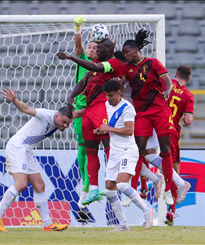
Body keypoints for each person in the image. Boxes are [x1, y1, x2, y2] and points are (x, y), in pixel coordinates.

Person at [0, 87, 83, 232]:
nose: (65, 126)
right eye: (64, 122)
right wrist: (14, 100)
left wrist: (98, 104)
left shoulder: (63, 117)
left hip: (27, 150)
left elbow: (78, 113)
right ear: (57, 116)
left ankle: (48, 224)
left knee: (40, 185)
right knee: (21, 184)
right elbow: (26, 109)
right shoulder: (45, 114)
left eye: (67, 124)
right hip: (17, 147)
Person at [57, 38, 123, 205]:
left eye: (99, 48)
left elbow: (93, 67)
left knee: (109, 146)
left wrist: (71, 57)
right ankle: (94, 188)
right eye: (95, 48)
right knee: (90, 150)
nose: (96, 51)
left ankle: (112, 183)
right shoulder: (94, 64)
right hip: (89, 112)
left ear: (109, 50)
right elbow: (83, 81)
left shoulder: (113, 63)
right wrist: (71, 95)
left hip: (104, 110)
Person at [119, 29, 175, 206]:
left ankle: (168, 190)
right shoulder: (126, 68)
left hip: (160, 111)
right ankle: (132, 191)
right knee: (138, 152)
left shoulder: (153, 63)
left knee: (165, 150)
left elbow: (168, 81)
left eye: (126, 53)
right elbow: (119, 85)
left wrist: (167, 91)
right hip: (142, 114)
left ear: (135, 51)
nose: (125, 56)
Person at [94, 79, 154, 231]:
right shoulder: (107, 105)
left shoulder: (127, 108)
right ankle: (123, 225)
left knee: (121, 184)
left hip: (128, 150)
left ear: (119, 93)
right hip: (114, 151)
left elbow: (129, 130)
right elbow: (110, 126)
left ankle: (147, 211)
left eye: (112, 95)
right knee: (109, 189)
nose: (109, 99)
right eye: (107, 96)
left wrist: (108, 128)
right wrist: (101, 130)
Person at [73, 15, 98, 209]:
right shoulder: (81, 58)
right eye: (90, 46)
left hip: (95, 111)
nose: (91, 49)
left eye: (95, 47)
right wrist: (77, 29)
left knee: (94, 149)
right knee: (83, 148)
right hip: (81, 112)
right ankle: (87, 186)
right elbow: (78, 43)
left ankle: (91, 187)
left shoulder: (101, 66)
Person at [165, 65, 194, 225]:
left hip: (154, 127)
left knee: (146, 157)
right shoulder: (188, 95)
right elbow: (188, 120)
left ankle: (141, 190)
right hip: (171, 132)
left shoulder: (166, 83)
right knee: (173, 169)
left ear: (175, 74)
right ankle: (171, 211)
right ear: (188, 79)